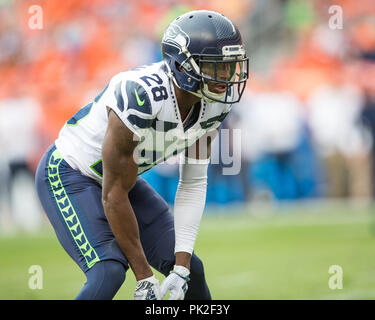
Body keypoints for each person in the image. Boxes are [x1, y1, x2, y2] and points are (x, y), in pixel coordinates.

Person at [35, 10, 249, 300]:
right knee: (108, 270)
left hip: (122, 180)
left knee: (192, 271)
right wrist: (144, 276)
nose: (225, 77)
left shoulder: (214, 104)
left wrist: (181, 268)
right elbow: (112, 195)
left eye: (228, 66)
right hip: (70, 172)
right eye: (214, 66)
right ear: (183, 66)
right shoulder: (141, 95)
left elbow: (193, 183)